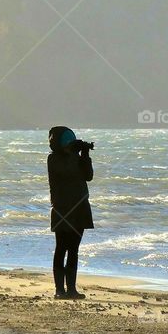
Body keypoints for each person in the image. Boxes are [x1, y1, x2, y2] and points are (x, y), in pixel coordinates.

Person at [47, 126, 94, 298]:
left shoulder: (76, 158)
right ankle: (60, 290)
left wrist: (85, 155)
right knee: (61, 248)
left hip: (80, 208)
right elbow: (66, 171)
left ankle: (72, 289)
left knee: (74, 249)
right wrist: (75, 154)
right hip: (62, 210)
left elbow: (88, 176)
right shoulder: (53, 160)